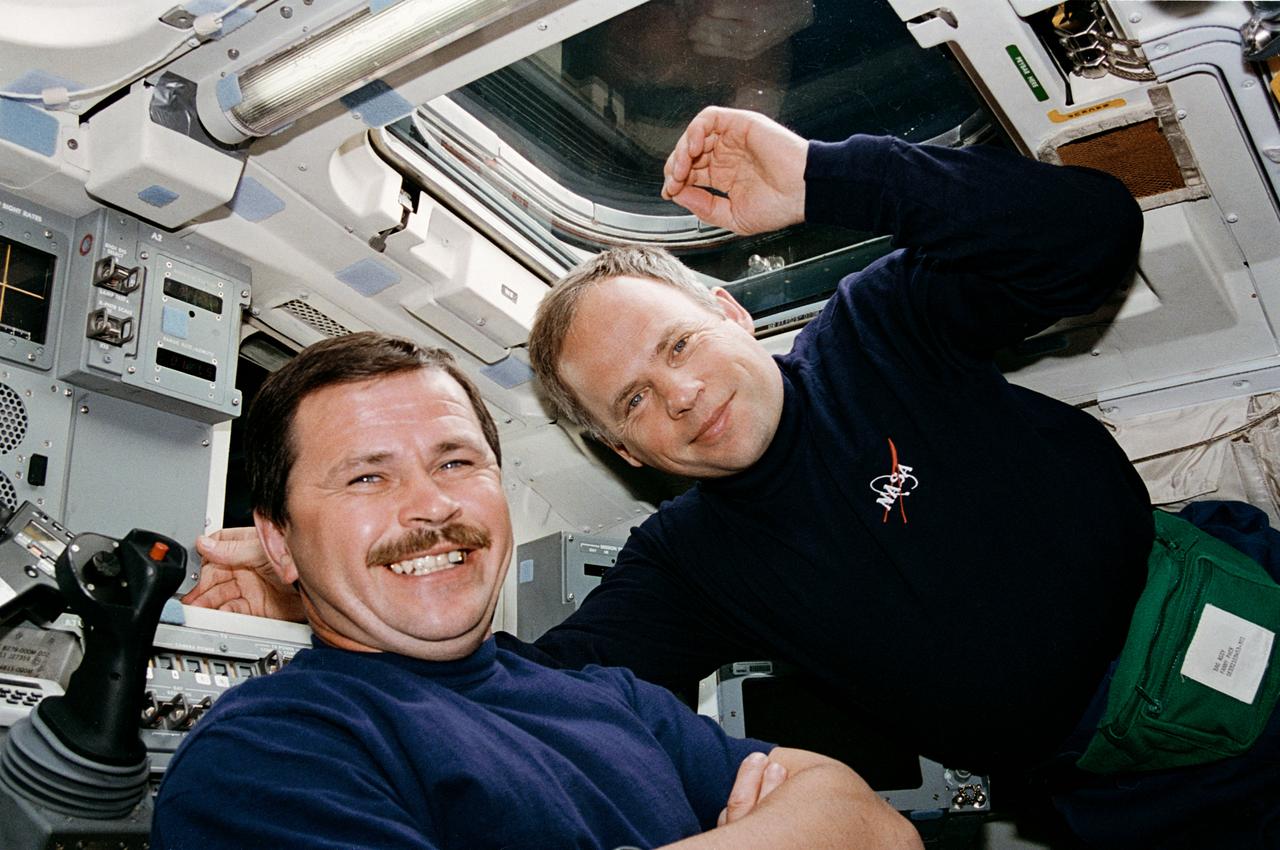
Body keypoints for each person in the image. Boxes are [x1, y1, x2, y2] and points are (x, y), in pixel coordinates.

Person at [185, 109, 1280, 846]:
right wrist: (308, 592)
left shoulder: (876, 331)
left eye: (673, 347)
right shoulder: (689, 561)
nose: (678, 396)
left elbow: (1088, 236)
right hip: (1131, 785)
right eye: (631, 403)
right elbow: (522, 688)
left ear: (725, 311)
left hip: (1231, 595)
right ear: (625, 452)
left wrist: (824, 174)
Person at [153, 332, 918, 850]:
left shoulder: (616, 701)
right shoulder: (267, 752)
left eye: (456, 462)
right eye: (367, 476)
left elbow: (879, 827)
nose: (432, 505)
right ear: (280, 540)